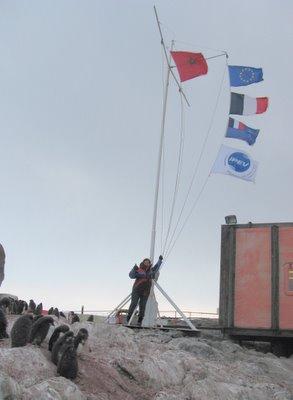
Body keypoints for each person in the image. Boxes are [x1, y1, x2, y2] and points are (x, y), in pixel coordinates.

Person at [127, 255, 163, 325]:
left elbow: (157, 266)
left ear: (149, 264)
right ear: (143, 263)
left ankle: (139, 321)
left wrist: (160, 260)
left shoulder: (151, 270)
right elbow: (131, 276)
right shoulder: (139, 269)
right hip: (137, 290)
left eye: (148, 262)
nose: (146, 263)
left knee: (143, 306)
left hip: (146, 292)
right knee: (133, 304)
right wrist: (133, 269)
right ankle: (128, 319)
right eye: (145, 262)